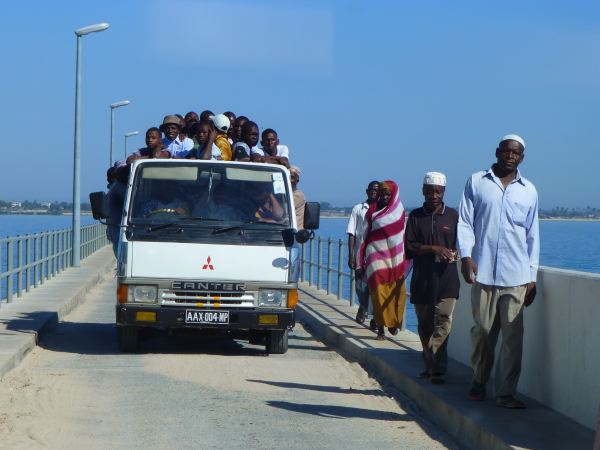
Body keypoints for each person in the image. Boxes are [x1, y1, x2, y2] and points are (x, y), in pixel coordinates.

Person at [457, 134, 539, 409]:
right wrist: (467, 256)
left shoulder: (529, 190)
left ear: (522, 157)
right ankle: (480, 379)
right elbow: (465, 223)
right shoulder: (477, 182)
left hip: (516, 276)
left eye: (516, 153)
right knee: (482, 332)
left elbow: (532, 236)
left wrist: (531, 277)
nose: (510, 156)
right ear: (497, 152)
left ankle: (505, 393)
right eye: (506, 151)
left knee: (513, 339)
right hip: (483, 273)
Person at [405, 172, 459, 385]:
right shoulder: (416, 216)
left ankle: (436, 367)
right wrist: (434, 248)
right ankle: (430, 364)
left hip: (447, 278)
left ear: (443, 192)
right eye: (429, 191)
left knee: (444, 321)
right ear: (423, 191)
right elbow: (409, 247)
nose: (433, 195)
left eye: (437, 191)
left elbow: (464, 241)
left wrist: (454, 253)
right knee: (425, 325)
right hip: (423, 278)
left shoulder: (453, 216)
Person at [357, 180, 410, 340]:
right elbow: (362, 237)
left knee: (398, 294)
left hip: (396, 259)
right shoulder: (371, 211)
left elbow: (403, 236)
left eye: (388, 194)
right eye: (382, 194)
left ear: (393, 195)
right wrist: (359, 263)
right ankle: (380, 328)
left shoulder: (399, 211)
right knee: (378, 294)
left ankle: (394, 322)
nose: (385, 197)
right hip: (376, 257)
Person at [347, 181, 380, 326]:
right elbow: (352, 233)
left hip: (377, 255)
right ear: (366, 191)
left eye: (376, 190)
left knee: (375, 286)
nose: (373, 192)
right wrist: (351, 256)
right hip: (361, 255)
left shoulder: (382, 210)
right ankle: (363, 306)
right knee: (360, 286)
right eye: (371, 190)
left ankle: (375, 317)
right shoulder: (358, 209)